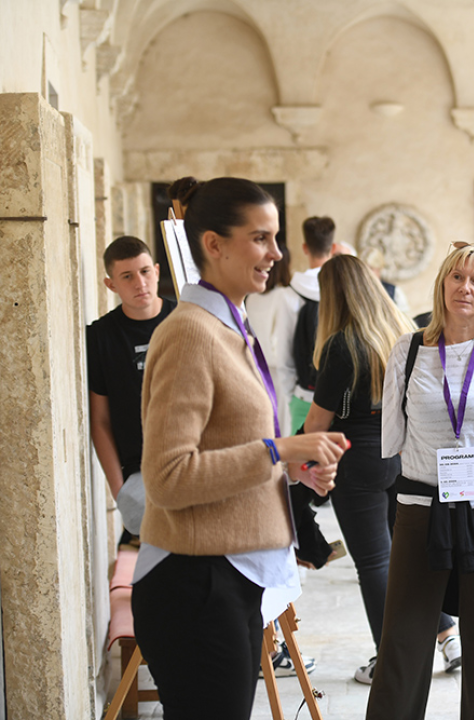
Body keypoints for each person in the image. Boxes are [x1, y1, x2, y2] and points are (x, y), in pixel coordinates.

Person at [132, 176, 347, 719]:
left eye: (276, 238)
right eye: (260, 238)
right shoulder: (191, 333)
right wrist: (276, 451)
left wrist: (291, 469)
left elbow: (232, 446)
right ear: (214, 244)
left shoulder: (229, 324)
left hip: (229, 576)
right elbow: (168, 477)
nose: (277, 253)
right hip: (196, 583)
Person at [366, 242, 474, 720]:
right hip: (421, 507)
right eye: (456, 277)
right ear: (442, 284)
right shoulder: (408, 350)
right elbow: (395, 437)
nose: (465, 287)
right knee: (403, 636)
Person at [297, 254, 448, 682]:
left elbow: (318, 423)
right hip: (404, 454)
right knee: (411, 555)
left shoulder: (341, 345)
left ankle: (392, 661)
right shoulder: (402, 330)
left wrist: (289, 449)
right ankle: (448, 636)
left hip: (358, 460)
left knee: (375, 563)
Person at [87, 236, 176, 541]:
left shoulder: (187, 320)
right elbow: (99, 420)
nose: (140, 283)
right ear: (111, 285)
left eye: (145, 272)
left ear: (157, 271)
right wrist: (120, 490)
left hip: (195, 462)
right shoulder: (100, 337)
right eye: (127, 276)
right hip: (139, 474)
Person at [246, 241, 302, 435]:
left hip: (256, 370)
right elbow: (284, 340)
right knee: (283, 430)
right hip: (281, 373)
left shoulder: (251, 297)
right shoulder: (285, 296)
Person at [290, 215, 336, 434]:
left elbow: (285, 352)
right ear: (333, 247)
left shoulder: (291, 291)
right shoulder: (342, 289)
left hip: (302, 394)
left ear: (304, 248)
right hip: (338, 398)